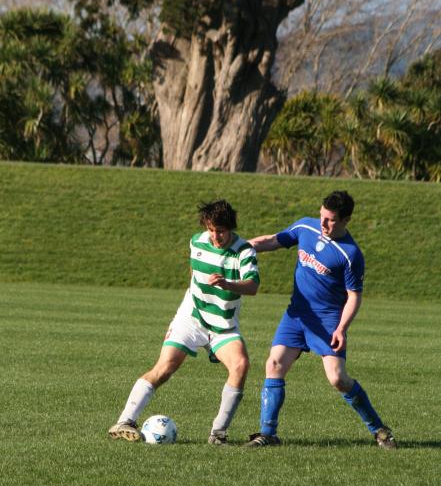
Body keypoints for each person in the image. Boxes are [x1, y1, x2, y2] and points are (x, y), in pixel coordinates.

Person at [245, 190, 397, 450]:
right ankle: (267, 434)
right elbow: (273, 240)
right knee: (274, 364)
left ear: (346, 220)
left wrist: (341, 328)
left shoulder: (350, 254)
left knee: (338, 379)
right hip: (297, 315)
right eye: (322, 216)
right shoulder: (306, 226)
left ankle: (379, 430)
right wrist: (241, 247)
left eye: (331, 220)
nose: (324, 224)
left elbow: (354, 297)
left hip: (327, 321)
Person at [109, 199, 260, 445]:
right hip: (191, 318)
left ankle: (218, 434)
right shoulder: (197, 241)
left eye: (220, 231)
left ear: (230, 227)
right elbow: (193, 274)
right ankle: (125, 421)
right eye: (211, 230)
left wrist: (227, 284)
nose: (215, 236)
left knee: (240, 365)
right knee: (165, 367)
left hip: (222, 325)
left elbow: (252, 286)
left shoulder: (243, 252)